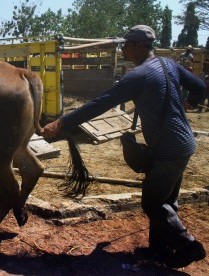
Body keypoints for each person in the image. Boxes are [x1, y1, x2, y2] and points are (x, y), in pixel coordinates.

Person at [41, 25, 206, 268]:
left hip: (168, 149)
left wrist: (61, 122)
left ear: (139, 45)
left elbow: (100, 104)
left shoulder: (138, 77)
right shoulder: (169, 64)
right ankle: (159, 250)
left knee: (152, 203)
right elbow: (200, 87)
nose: (123, 48)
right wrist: (190, 103)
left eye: (127, 44)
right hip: (184, 143)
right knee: (166, 201)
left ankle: (189, 246)